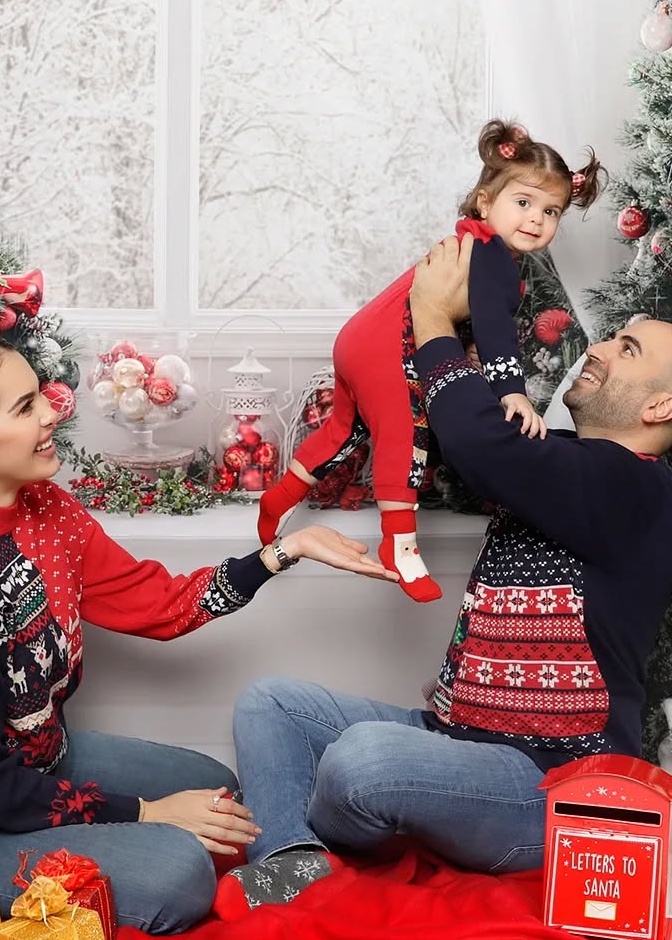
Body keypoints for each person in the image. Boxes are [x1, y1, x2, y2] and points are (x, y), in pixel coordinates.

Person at [223, 232, 672, 911]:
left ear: (660, 407)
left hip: (550, 783)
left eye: (627, 351)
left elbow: (480, 444)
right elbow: (467, 441)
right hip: (455, 738)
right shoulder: (565, 459)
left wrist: (432, 316)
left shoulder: (638, 489)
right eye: (612, 338)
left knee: (361, 760)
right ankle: (290, 863)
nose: (597, 349)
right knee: (269, 702)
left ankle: (307, 815)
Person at [0, 333, 396, 934]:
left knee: (215, 793)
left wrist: (281, 552)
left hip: (42, 766)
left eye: (42, 398)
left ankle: (220, 856)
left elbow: (159, 603)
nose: (52, 414)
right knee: (182, 869)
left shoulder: (48, 511)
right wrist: (148, 812)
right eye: (25, 407)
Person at [255, 118, 605, 603]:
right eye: (523, 203)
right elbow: (493, 328)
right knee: (405, 430)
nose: (536, 219)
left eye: (551, 211)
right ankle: (400, 546)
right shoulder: (489, 257)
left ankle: (279, 496)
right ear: (486, 201)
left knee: (345, 428)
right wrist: (512, 392)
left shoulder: (476, 246)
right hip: (384, 343)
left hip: (358, 334)